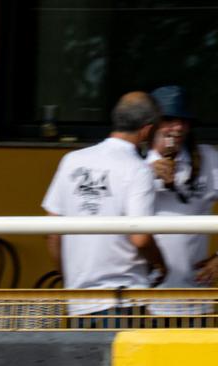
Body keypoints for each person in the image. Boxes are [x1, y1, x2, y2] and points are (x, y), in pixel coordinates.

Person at [42, 92, 167, 327]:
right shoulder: (138, 170)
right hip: (123, 301)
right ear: (147, 130)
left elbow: (52, 233)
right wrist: (161, 264)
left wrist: (70, 278)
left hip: (79, 301)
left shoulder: (72, 160)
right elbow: (140, 239)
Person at [144, 86, 218, 322]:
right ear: (150, 124)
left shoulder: (208, 158)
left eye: (183, 120)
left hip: (197, 300)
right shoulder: (132, 161)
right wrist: (145, 175)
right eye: (168, 119)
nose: (177, 127)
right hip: (143, 300)